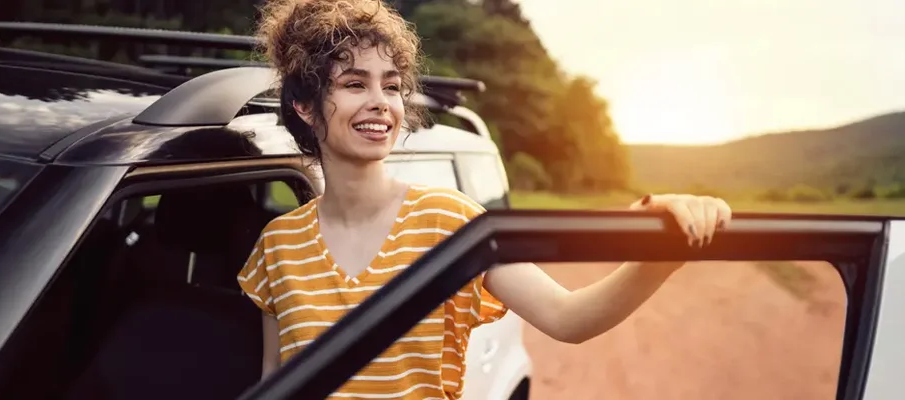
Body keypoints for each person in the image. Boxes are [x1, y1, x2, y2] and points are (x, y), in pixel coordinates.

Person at [237, 0, 733, 398]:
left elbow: (568, 317)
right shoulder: (278, 243)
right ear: (303, 105)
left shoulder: (451, 221)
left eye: (391, 86)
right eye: (353, 84)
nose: (381, 103)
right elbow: (273, 379)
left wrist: (660, 253)